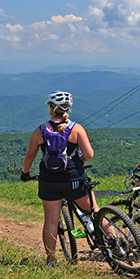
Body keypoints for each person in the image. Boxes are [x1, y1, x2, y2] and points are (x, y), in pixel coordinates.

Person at [20, 90, 95, 268]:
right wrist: (78, 162)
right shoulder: (76, 129)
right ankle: (114, 241)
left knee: (51, 221)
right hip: (74, 179)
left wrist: (25, 173)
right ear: (68, 108)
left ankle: (51, 260)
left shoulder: (40, 130)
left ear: (51, 109)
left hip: (49, 182)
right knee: (94, 211)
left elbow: (30, 156)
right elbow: (89, 154)